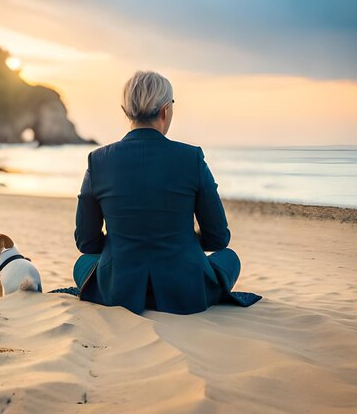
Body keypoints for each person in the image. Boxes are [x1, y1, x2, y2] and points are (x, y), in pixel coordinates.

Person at [72, 70, 261, 314]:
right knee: (230, 258)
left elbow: (87, 243)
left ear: (125, 111)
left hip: (119, 291)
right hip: (185, 290)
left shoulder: (98, 161)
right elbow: (218, 239)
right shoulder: (191, 158)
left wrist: (125, 241)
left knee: (82, 263)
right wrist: (178, 239)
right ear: (165, 110)